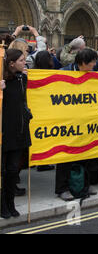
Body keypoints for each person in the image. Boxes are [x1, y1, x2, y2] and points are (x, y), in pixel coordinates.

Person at [56, 49, 98, 201]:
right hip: (67, 122)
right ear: (81, 63)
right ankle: (63, 188)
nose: (95, 65)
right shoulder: (63, 73)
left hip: (86, 121)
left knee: (86, 154)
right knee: (65, 156)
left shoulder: (93, 74)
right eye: (92, 62)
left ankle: (83, 185)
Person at [1, 49, 31, 219]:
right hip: (4, 132)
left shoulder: (22, 78)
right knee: (3, 171)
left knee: (13, 170)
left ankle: (10, 202)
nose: (24, 63)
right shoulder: (2, 79)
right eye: (21, 60)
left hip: (19, 131)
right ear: (11, 63)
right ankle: (2, 204)